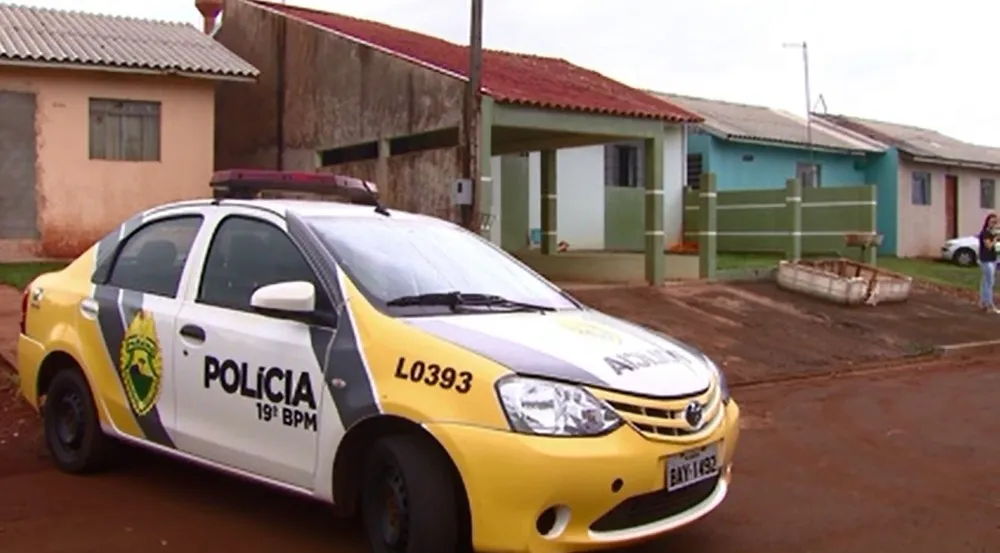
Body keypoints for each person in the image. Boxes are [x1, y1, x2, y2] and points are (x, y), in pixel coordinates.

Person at [977, 212, 999, 312]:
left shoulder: (991, 233)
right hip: (986, 260)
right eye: (992, 222)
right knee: (989, 283)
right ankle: (989, 304)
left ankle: (983, 303)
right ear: (988, 222)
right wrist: (995, 239)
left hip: (991, 259)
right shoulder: (986, 233)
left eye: (996, 222)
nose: (994, 224)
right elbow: (988, 246)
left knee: (985, 282)